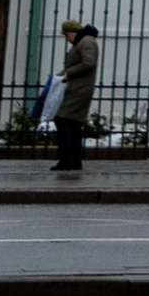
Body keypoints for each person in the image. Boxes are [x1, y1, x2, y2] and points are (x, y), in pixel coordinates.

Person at [50, 18, 101, 179]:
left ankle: (67, 160)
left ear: (73, 32)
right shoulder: (84, 41)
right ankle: (73, 161)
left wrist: (68, 74)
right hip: (77, 88)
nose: (66, 38)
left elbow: (88, 63)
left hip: (79, 90)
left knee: (63, 120)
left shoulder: (86, 41)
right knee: (72, 124)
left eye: (66, 34)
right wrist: (59, 76)